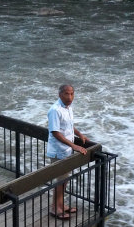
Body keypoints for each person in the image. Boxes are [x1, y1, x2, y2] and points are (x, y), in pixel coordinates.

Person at [47, 84, 89, 220]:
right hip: (58, 152)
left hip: (66, 151)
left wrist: (80, 134)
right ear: (60, 95)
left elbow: (69, 125)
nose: (70, 97)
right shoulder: (55, 110)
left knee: (63, 181)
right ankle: (55, 209)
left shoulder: (68, 108)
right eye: (66, 94)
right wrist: (74, 146)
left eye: (72, 94)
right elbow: (55, 132)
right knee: (60, 181)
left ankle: (60, 204)